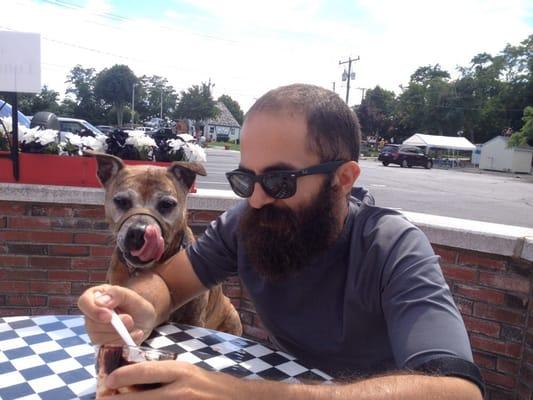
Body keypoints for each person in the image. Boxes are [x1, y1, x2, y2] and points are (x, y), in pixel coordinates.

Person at [79, 84, 484, 399]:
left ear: (343, 180)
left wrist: (242, 394)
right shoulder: (248, 222)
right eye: (246, 180)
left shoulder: (392, 247)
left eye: (279, 181)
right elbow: (168, 283)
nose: (256, 198)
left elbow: (458, 391)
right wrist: (139, 308)